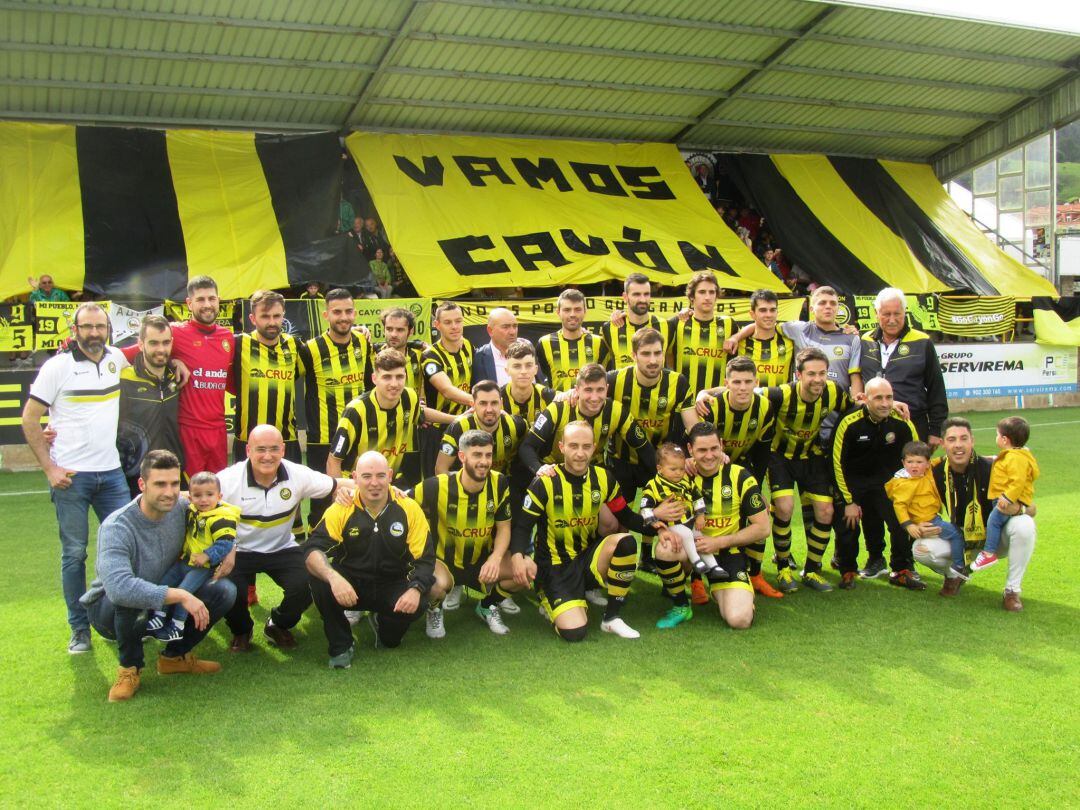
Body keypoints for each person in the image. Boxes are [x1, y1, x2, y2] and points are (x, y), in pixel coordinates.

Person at [81, 451, 236, 702]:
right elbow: (120, 588)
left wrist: (232, 548)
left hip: (163, 597)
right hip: (109, 609)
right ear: (142, 485)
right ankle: (129, 669)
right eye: (160, 484)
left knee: (224, 590)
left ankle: (174, 657)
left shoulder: (184, 507)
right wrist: (181, 595)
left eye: (175, 484)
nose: (169, 492)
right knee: (130, 599)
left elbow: (219, 515)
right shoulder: (117, 526)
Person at [22, 302, 130, 653]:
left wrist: (173, 360)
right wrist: (50, 468)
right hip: (71, 477)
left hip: (112, 473)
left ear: (108, 329)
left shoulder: (118, 359)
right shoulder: (57, 367)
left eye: (100, 326)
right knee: (74, 555)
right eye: (88, 327)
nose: (95, 333)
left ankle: (119, 616)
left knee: (125, 548)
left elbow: (151, 351)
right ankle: (79, 629)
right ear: (75, 330)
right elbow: (29, 419)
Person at [510, 422, 670, 641]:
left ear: (594, 448)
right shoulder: (545, 482)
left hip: (587, 559)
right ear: (562, 447)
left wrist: (657, 524)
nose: (579, 453)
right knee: (574, 633)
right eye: (573, 446)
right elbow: (523, 526)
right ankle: (551, 600)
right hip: (554, 568)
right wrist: (518, 555)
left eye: (586, 446)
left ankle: (611, 618)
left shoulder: (603, 478)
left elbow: (626, 517)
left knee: (625, 542)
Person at [305, 451, 434, 668]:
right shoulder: (342, 507)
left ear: (390, 476)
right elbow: (311, 550)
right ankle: (341, 645)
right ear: (354, 478)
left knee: (417, 602)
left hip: (391, 583)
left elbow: (425, 558)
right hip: (352, 583)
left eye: (380, 476)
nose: (374, 483)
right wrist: (334, 578)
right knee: (319, 576)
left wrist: (416, 589)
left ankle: (385, 625)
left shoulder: (408, 507)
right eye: (366, 476)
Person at [217, 424, 340, 653]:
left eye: (274, 449)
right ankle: (242, 630)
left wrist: (358, 489)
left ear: (283, 450)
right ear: (248, 451)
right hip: (239, 550)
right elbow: (196, 499)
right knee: (228, 590)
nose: (267, 456)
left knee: (308, 584)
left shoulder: (297, 474)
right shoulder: (226, 480)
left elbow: (336, 484)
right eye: (260, 449)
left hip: (281, 548)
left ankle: (278, 624)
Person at [652, 423, 770, 630]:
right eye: (702, 450)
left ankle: (725, 590)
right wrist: (658, 518)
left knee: (739, 621)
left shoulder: (740, 476)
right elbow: (650, 508)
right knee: (665, 549)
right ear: (690, 450)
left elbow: (762, 528)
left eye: (714, 448)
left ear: (722, 446)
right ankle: (681, 604)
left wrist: (719, 541)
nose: (709, 456)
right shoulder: (678, 475)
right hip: (692, 550)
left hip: (727, 552)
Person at [418, 430, 531, 638]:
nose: (484, 461)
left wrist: (496, 559)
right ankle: (434, 609)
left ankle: (487, 605)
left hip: (482, 561)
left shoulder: (499, 483)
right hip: (445, 562)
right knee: (434, 586)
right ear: (462, 457)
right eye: (477, 455)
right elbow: (401, 499)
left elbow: (504, 528)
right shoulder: (436, 486)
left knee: (528, 569)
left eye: (488, 455)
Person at [915, 417, 1036, 608]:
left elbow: (1032, 508)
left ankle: (1012, 591)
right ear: (942, 443)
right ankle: (954, 575)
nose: (958, 445)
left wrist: (1019, 508)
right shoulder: (934, 471)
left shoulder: (993, 467)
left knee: (1025, 524)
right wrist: (917, 525)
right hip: (959, 539)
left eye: (964, 438)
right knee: (920, 549)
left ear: (973, 441)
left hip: (993, 540)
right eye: (952, 439)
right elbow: (917, 503)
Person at [761, 348, 852, 593]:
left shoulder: (834, 392)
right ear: (798, 375)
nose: (818, 379)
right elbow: (743, 393)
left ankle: (811, 570)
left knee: (825, 510)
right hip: (780, 457)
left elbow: (857, 407)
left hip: (812, 457)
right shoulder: (780, 394)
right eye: (811, 374)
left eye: (822, 373)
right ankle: (783, 567)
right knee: (784, 507)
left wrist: (890, 402)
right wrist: (707, 393)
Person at [605, 327, 695, 567]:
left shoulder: (677, 381)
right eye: (646, 354)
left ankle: (649, 556)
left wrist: (693, 455)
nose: (653, 360)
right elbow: (588, 392)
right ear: (633, 355)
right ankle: (617, 560)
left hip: (657, 462)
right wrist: (569, 393)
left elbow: (692, 425)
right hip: (621, 460)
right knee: (617, 518)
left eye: (658, 353)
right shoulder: (614, 380)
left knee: (660, 509)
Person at [691, 356, 779, 598]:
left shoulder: (764, 407)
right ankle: (696, 579)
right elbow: (700, 441)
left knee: (757, 514)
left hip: (741, 464)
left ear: (756, 382)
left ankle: (756, 573)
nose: (742, 387)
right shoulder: (712, 406)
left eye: (747, 382)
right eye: (736, 381)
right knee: (702, 515)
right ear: (727, 383)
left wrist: (757, 486)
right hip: (709, 464)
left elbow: (762, 451)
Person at [831, 378, 920, 589]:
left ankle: (901, 568)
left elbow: (917, 455)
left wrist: (910, 491)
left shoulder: (902, 421)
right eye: (878, 398)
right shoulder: (849, 422)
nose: (885, 403)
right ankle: (848, 570)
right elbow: (836, 463)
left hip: (888, 483)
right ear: (865, 399)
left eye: (889, 397)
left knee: (901, 519)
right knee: (848, 523)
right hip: (853, 483)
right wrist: (849, 501)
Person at [296, 288, 373, 527]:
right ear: (325, 315)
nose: (344, 317)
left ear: (355, 313)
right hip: (323, 437)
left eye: (348, 311)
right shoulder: (310, 349)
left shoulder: (363, 341)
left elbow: (371, 382)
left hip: (356, 435)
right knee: (322, 499)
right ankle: (317, 548)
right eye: (337, 312)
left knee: (359, 495)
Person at [329, 348, 457, 487]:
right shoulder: (356, 411)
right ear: (374, 378)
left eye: (399, 377)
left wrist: (456, 419)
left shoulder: (409, 397)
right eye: (387, 377)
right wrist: (339, 497)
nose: (394, 384)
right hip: (358, 486)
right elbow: (333, 461)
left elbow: (420, 413)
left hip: (390, 482)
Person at [518, 363, 656, 482]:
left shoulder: (616, 411)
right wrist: (540, 469)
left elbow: (644, 448)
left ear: (607, 389)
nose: (594, 397)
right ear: (577, 390)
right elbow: (527, 446)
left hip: (592, 470)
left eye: (600, 390)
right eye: (588, 390)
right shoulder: (558, 408)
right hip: (556, 471)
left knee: (625, 475)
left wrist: (663, 478)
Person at [145, 471, 238, 641]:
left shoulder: (221, 517)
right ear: (190, 497)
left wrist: (207, 555)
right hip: (185, 561)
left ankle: (177, 625)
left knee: (184, 592)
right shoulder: (193, 509)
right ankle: (159, 616)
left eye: (209, 495)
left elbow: (226, 542)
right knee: (165, 583)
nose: (203, 499)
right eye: (197, 495)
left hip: (202, 567)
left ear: (219, 496)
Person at [159, 276, 235, 479]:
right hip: (189, 431)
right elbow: (141, 351)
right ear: (189, 303)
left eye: (212, 299)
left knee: (218, 492)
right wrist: (171, 361)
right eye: (200, 300)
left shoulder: (227, 337)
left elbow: (231, 382)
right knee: (190, 495)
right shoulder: (174, 332)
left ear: (219, 300)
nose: (207, 305)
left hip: (219, 431)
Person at [858, 288, 947, 445]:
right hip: (871, 423)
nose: (892, 319)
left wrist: (935, 430)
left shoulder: (922, 341)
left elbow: (936, 388)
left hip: (912, 422)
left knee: (913, 469)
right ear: (876, 313)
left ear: (904, 312)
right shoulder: (865, 340)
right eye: (886, 314)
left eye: (897, 313)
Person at [117, 315, 183, 497]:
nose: (160, 349)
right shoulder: (123, 379)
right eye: (153, 343)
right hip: (135, 476)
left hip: (173, 472)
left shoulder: (177, 377)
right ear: (140, 344)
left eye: (165, 343)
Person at [232, 290, 301, 464]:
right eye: (265, 316)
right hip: (247, 441)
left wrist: (356, 331)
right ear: (252, 318)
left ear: (283, 316)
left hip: (287, 440)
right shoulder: (238, 344)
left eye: (276, 316)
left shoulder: (294, 345)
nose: (272, 322)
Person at [884, 441, 965, 589]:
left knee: (954, 534)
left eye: (919, 462)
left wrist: (948, 453)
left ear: (926, 464)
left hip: (933, 518)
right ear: (903, 462)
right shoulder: (905, 483)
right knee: (957, 533)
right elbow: (899, 505)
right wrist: (907, 524)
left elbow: (937, 461)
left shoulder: (926, 472)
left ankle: (956, 564)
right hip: (929, 521)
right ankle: (959, 566)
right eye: (910, 462)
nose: (914, 466)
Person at [639, 443, 721, 578]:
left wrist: (700, 515)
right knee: (688, 534)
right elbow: (644, 508)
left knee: (699, 537)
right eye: (673, 469)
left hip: (689, 519)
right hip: (673, 524)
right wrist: (654, 521)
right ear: (660, 469)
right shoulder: (652, 486)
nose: (678, 473)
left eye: (681, 469)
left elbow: (697, 497)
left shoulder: (686, 480)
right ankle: (696, 561)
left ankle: (714, 566)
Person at [971, 417, 1039, 573]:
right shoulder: (1015, 455)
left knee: (994, 521)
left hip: (1008, 500)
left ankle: (988, 553)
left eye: (997, 434)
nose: (996, 438)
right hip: (1008, 499)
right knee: (996, 521)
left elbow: (1018, 480)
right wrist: (994, 459)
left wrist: (1008, 498)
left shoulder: (1015, 458)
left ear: (1004, 439)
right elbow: (1008, 467)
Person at [421, 302, 475, 475]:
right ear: (437, 325)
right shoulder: (430, 356)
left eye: (458, 321)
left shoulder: (468, 346)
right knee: (438, 481)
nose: (454, 327)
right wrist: (480, 403)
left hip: (465, 426)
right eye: (448, 322)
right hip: (438, 429)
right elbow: (446, 390)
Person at [435, 380, 527, 477]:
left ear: (501, 403)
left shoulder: (517, 425)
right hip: (467, 487)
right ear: (473, 405)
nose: (489, 409)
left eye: (494, 403)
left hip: (503, 486)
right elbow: (440, 469)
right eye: (483, 403)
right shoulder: (459, 427)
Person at [668, 270, 734, 392]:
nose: (707, 297)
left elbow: (756, 330)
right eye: (702, 292)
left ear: (716, 296)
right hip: (682, 402)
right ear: (692, 297)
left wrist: (736, 337)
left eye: (712, 292)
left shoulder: (729, 324)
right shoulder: (677, 323)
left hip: (716, 402)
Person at [537, 289, 611, 391]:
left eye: (577, 309)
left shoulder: (599, 343)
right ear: (558, 312)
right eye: (567, 310)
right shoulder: (544, 343)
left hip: (591, 405)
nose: (572, 314)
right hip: (558, 405)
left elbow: (607, 377)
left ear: (585, 311)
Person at [601, 272, 670, 369]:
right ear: (625, 297)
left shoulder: (666, 325)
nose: (643, 299)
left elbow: (672, 358)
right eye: (636, 294)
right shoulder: (609, 328)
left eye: (646, 294)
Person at [736, 289, 794, 386]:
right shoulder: (739, 343)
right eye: (763, 310)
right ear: (752, 314)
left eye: (772, 310)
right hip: (749, 401)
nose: (768, 315)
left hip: (780, 401)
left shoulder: (790, 341)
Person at [499, 339, 557, 425]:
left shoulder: (549, 396)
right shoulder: (497, 398)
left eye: (529, 365)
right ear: (507, 371)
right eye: (517, 366)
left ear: (536, 369)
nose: (523, 371)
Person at [471, 307, 518, 386]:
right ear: (490, 330)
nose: (512, 332)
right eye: (505, 327)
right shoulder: (478, 358)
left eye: (515, 326)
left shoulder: (528, 351)